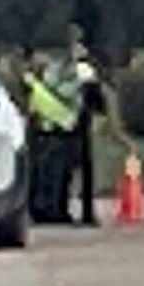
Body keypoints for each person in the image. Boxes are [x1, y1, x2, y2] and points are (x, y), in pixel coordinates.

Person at [52, 26, 117, 226]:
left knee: (69, 170)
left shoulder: (57, 67)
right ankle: (82, 212)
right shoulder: (81, 69)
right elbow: (95, 98)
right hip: (77, 123)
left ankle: (65, 209)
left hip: (65, 123)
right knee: (80, 171)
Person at [21, 49, 78, 225]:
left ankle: (47, 209)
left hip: (51, 132)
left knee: (50, 175)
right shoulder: (40, 85)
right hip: (53, 133)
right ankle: (49, 210)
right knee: (50, 175)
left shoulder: (39, 85)